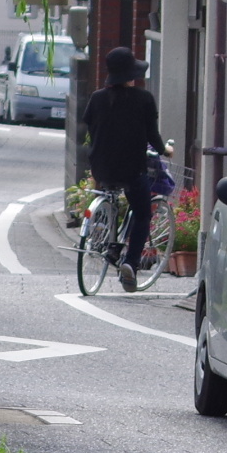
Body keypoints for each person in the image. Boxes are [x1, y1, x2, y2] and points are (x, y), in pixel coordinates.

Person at [82, 46, 165, 291]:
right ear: (131, 74)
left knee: (111, 195)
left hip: (101, 167)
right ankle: (130, 262)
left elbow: (91, 128)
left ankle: (106, 237)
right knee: (142, 213)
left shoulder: (97, 97)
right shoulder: (144, 99)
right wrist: (163, 150)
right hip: (132, 169)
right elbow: (153, 135)